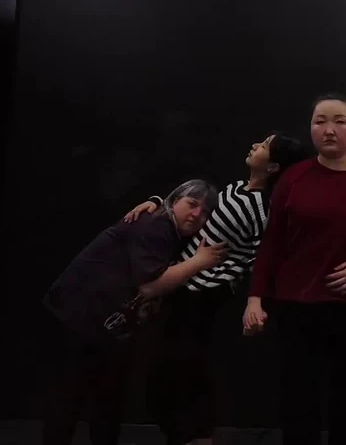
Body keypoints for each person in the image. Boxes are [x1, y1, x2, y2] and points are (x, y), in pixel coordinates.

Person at [122, 132, 314, 445]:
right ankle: (187, 435)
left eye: (264, 146)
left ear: (273, 167)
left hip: (204, 294)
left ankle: (197, 436)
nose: (255, 145)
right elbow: (192, 216)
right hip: (181, 285)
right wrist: (157, 203)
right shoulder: (236, 188)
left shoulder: (261, 208)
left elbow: (265, 254)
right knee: (170, 371)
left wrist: (256, 300)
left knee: (184, 370)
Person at [242, 94, 346, 445]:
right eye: (320, 121)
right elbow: (272, 243)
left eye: (339, 121)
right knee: (298, 398)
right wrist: (255, 298)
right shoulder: (294, 177)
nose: (329, 130)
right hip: (296, 304)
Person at [41, 179, 222, 445]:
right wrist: (199, 262)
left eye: (204, 212)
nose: (197, 215)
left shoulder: (171, 228)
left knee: (107, 399)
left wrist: (156, 200)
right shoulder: (156, 225)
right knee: (70, 396)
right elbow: (149, 286)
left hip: (108, 325)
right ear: (175, 202)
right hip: (79, 315)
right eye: (192, 204)